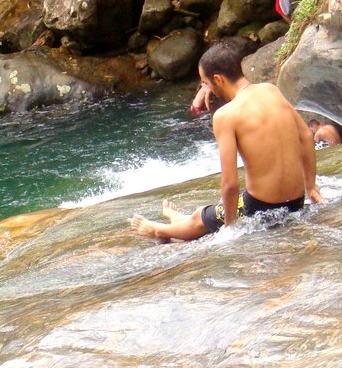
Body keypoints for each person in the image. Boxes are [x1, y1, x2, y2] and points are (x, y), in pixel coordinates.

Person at [131, 42, 322, 241]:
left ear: (218, 79)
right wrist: (311, 188)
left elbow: (230, 184)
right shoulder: (270, 90)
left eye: (206, 83)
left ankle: (158, 230)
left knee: (201, 219)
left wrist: (231, 227)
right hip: (296, 202)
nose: (207, 90)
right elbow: (307, 137)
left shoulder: (226, 115)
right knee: (211, 211)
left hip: (261, 206)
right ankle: (180, 219)